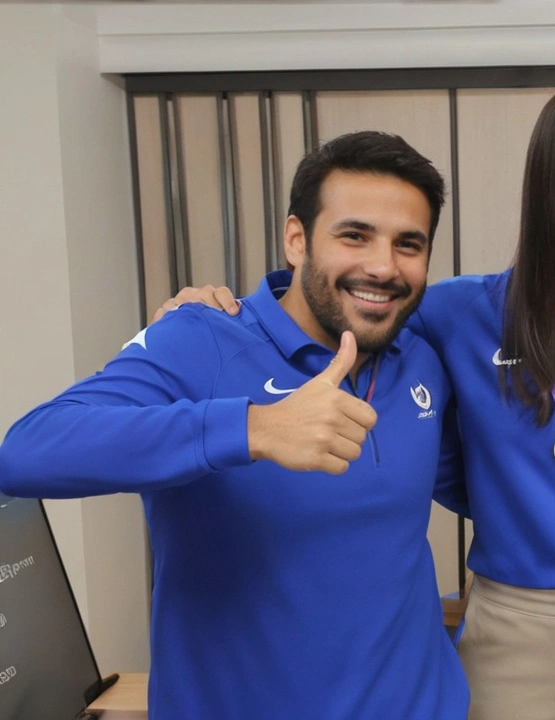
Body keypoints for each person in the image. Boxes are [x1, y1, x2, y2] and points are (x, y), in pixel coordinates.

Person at [158, 70, 555, 720]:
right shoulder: (458, 312)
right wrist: (219, 310)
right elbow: (346, 301)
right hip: (506, 618)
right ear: (549, 180)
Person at [0, 131, 468, 720]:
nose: (382, 266)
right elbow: (26, 451)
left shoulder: (420, 356)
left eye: (409, 244)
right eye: (354, 234)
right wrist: (255, 429)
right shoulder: (201, 338)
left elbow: (498, 491)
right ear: (296, 240)